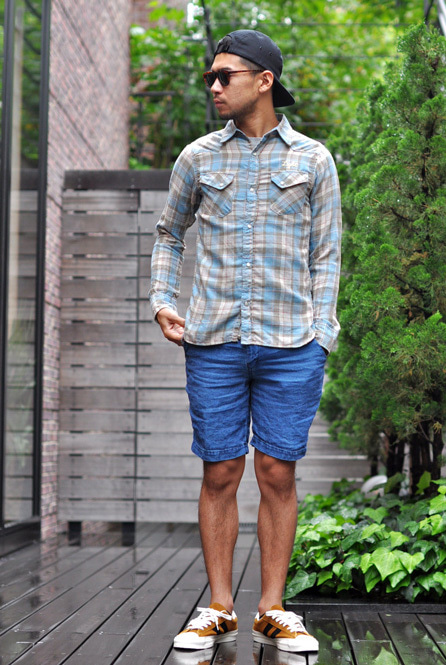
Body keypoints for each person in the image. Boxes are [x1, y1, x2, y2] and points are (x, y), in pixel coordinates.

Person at [149, 29, 341, 654]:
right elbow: (168, 234)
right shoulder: (197, 158)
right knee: (221, 470)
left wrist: (322, 334)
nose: (213, 85)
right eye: (210, 76)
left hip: (292, 344)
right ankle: (219, 607)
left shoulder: (313, 160)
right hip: (214, 343)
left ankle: (273, 609)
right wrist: (162, 301)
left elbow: (327, 255)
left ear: (264, 81)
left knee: (277, 472)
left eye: (224, 75)